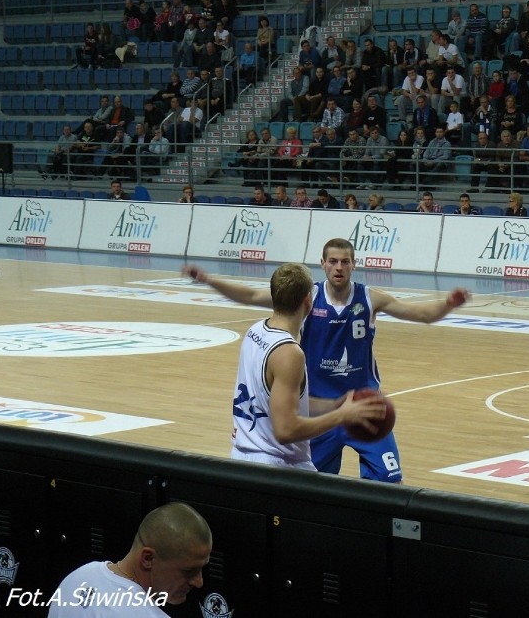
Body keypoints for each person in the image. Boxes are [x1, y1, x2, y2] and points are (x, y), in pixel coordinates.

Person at [184, 241, 470, 481]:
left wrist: (447, 305)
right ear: (323, 264)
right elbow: (249, 295)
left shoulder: (371, 298)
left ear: (354, 265)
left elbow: (421, 314)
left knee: (389, 482)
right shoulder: (307, 297)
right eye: (333, 261)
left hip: (363, 405)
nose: (339, 267)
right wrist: (209, 280)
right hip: (318, 411)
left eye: (345, 262)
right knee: (316, 489)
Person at [229, 263, 387, 468]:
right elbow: (286, 430)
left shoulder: (255, 331)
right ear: (308, 300)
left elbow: (279, 399)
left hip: (242, 454)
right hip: (277, 465)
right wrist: (341, 416)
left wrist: (333, 405)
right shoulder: (289, 353)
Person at [48, 502, 211, 617]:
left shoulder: (76, 578)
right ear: (148, 558)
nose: (199, 582)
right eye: (188, 571)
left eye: (201, 569)